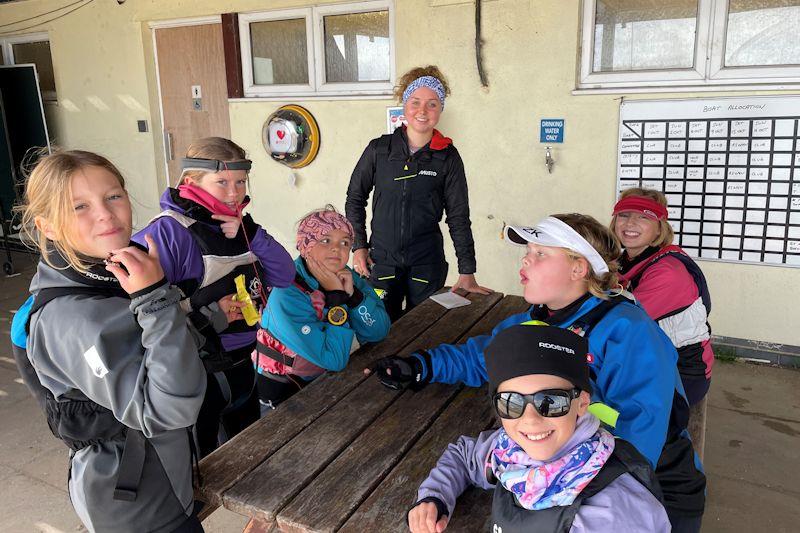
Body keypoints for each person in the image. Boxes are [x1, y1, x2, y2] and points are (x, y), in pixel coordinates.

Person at [370, 213, 706, 532]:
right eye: (528, 252)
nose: (525, 260)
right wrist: (421, 367)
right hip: (554, 455)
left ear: (578, 268)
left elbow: (640, 434)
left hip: (647, 483)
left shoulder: (628, 330)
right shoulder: (535, 320)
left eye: (541, 253)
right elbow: (483, 357)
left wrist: (551, 481)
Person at [16, 150, 207, 532]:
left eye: (113, 196)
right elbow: (169, 409)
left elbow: (151, 345)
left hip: (164, 482)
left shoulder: (111, 269)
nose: (105, 213)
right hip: (137, 508)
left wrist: (201, 314)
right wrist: (156, 300)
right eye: (79, 206)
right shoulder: (73, 316)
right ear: (47, 226)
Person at [408, 325, 669, 533]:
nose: (530, 419)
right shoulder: (507, 452)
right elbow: (465, 457)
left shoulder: (613, 513)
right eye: (511, 402)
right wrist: (435, 498)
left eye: (550, 401)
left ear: (582, 403)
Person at [134, 137, 295, 456]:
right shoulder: (168, 233)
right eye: (221, 182)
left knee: (246, 453)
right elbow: (140, 318)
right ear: (191, 180)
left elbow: (284, 275)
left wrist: (250, 229)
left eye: (240, 182)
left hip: (244, 361)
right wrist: (207, 314)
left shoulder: (238, 226)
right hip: (196, 373)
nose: (234, 193)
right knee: (199, 466)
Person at [345, 65, 491, 321]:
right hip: (382, 263)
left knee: (422, 330)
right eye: (416, 102)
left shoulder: (447, 157)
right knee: (379, 331)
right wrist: (359, 246)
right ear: (405, 104)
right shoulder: (379, 150)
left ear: (441, 109)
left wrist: (467, 270)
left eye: (432, 104)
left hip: (426, 263)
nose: (423, 111)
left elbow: (458, 216)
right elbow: (355, 198)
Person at [253, 206, 390, 411]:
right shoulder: (287, 294)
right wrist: (337, 299)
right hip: (285, 391)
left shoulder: (346, 276)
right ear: (305, 245)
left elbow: (379, 331)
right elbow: (333, 359)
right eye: (325, 240)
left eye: (345, 242)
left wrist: (353, 297)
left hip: (326, 381)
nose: (337, 249)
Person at [611, 187, 713, 405]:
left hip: (681, 374)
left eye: (643, 217)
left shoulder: (668, 271)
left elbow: (619, 323)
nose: (630, 224)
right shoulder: (625, 260)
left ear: (659, 229)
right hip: (646, 359)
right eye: (624, 215)